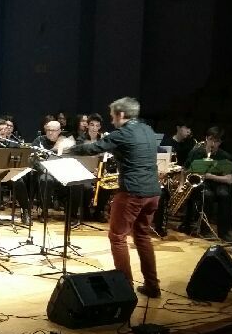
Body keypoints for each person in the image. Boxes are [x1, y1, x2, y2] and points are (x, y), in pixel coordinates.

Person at [68, 97, 162, 297]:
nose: (111, 121)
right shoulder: (147, 129)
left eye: (112, 117)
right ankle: (152, 286)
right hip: (153, 192)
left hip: (132, 192)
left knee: (117, 237)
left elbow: (93, 148)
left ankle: (125, 288)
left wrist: (68, 148)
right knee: (143, 236)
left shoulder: (123, 133)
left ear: (120, 115)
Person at [179, 127, 232, 242]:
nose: (213, 143)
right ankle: (205, 229)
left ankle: (224, 232)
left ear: (221, 142)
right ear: (206, 138)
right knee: (207, 195)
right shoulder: (197, 152)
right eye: (211, 139)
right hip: (201, 184)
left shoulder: (223, 155)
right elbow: (184, 169)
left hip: (217, 183)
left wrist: (211, 176)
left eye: (217, 141)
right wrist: (181, 185)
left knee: (225, 194)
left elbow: (229, 179)